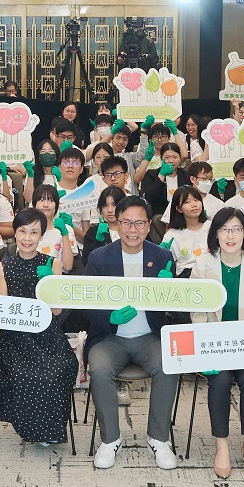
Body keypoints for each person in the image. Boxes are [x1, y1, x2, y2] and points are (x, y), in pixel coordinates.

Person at [82, 195, 180, 470]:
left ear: (149, 226)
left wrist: (169, 291)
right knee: (99, 368)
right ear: (116, 223)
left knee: (168, 365)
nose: (132, 229)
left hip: (149, 336)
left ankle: (158, 439)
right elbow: (86, 305)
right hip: (110, 338)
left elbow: (174, 309)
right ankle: (110, 440)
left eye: (139, 223)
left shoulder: (162, 256)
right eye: (126, 222)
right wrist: (107, 317)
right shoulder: (100, 257)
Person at [186, 206, 244, 479]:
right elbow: (197, 314)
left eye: (236, 229)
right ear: (215, 234)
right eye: (224, 229)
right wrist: (205, 355)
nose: (230, 235)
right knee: (220, 380)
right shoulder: (202, 265)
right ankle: (221, 445)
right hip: (216, 346)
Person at [0, 208, 77, 449]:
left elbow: (56, 312)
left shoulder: (52, 263)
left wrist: (49, 285)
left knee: (61, 366)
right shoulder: (2, 267)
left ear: (42, 236)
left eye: (34, 232)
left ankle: (51, 428)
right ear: (14, 233)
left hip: (47, 335)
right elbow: (3, 310)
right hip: (14, 337)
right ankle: (33, 428)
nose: (27, 238)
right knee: (30, 373)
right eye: (22, 231)